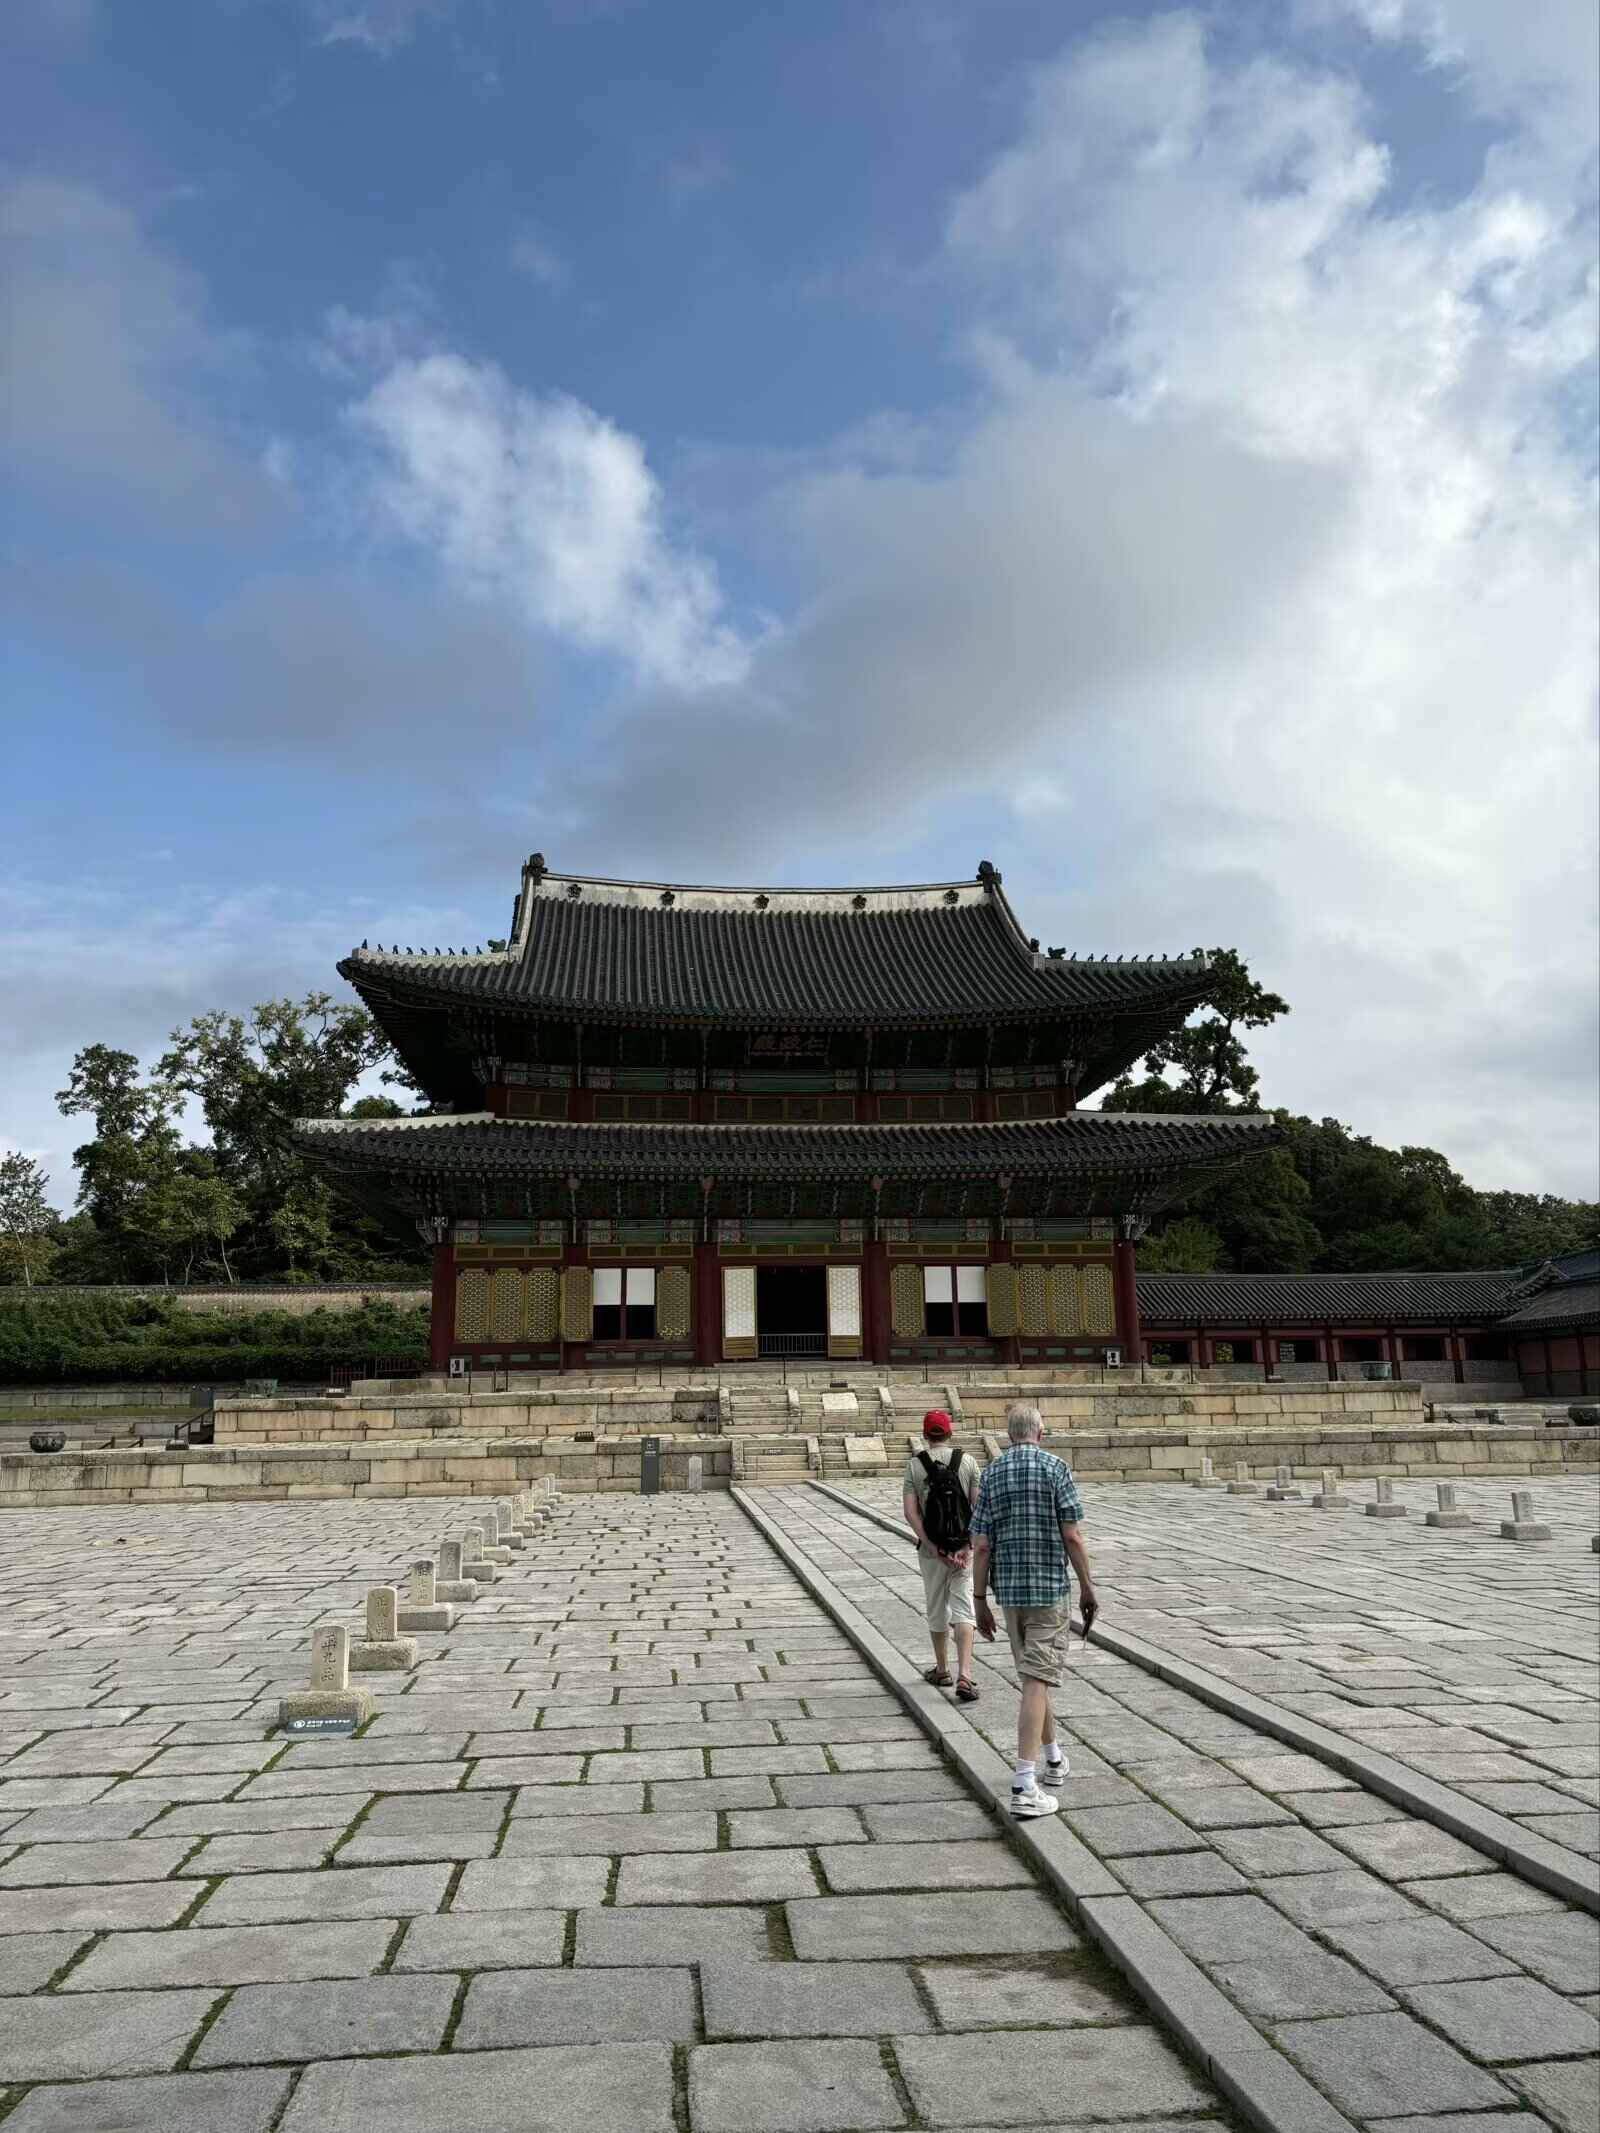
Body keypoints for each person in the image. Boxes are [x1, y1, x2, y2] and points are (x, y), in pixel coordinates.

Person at [970, 1401, 1098, 1819]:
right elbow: (1073, 1535)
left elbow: (982, 1544)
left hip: (1008, 1592)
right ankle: (1025, 1783)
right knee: (1036, 1681)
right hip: (1048, 1589)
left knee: (1033, 1679)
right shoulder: (1055, 1468)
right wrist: (1087, 1586)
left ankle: (1054, 1759)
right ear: (1040, 1433)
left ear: (1010, 1436)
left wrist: (979, 1600)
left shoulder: (992, 1473)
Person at [902, 1409, 983, 1702]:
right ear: (949, 1432)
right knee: (963, 1608)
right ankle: (965, 1675)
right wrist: (966, 1546)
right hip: (963, 1548)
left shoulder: (915, 1466)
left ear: (926, 1434)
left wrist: (931, 1546)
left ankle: (942, 1669)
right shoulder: (969, 1462)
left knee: (937, 1607)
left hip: (932, 1550)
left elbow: (911, 1513)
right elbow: (979, 1510)